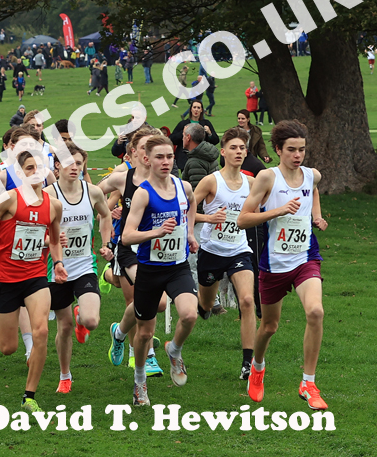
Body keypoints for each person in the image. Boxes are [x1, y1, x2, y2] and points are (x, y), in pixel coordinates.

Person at [238, 120, 329, 410]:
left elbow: (312, 189)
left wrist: (316, 215)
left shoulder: (312, 175)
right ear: (278, 149)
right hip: (274, 262)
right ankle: (257, 366)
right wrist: (278, 210)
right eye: (291, 150)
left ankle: (308, 382)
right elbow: (243, 219)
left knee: (315, 311)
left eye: (302, 149)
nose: (298, 155)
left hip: (305, 256)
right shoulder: (267, 177)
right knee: (269, 327)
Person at [0, 147, 67, 411]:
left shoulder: (54, 205)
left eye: (39, 167)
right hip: (5, 278)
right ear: (20, 173)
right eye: (29, 168)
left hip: (36, 275)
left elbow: (54, 239)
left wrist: (57, 262)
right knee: (7, 347)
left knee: (41, 332)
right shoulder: (10, 200)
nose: (35, 172)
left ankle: (29, 396)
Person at [109, 135, 199, 406]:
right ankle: (139, 383)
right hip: (149, 269)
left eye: (169, 156)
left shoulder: (183, 186)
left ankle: (174, 350)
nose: (166, 162)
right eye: (159, 157)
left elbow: (192, 203)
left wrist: (191, 233)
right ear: (146, 159)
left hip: (178, 265)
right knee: (145, 333)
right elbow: (126, 236)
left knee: (189, 314)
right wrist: (157, 232)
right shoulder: (143, 193)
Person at [98, 127, 167, 376]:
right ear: (134, 152)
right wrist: (107, 212)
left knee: (151, 302)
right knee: (143, 300)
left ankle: (118, 333)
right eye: (145, 148)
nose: (150, 154)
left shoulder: (165, 178)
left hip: (156, 248)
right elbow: (94, 193)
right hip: (128, 247)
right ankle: (144, 356)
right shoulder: (123, 176)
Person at [45, 143, 114, 393]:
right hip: (57, 270)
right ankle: (65, 375)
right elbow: (37, 230)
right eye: (68, 162)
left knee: (92, 320)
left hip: (85, 266)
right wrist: (51, 240)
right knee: (63, 328)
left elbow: (105, 215)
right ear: (56, 165)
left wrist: (106, 243)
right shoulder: (48, 195)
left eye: (78, 163)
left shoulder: (93, 192)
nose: (74, 167)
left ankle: (81, 319)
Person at [194, 127, 258, 380]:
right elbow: (186, 210)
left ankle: (247, 363)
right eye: (233, 147)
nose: (239, 152)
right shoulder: (211, 181)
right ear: (223, 152)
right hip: (212, 251)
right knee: (207, 304)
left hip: (239, 250)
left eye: (242, 147)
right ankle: (203, 306)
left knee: (247, 301)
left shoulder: (252, 183)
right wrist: (209, 217)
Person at [169, 99, 219, 171]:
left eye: (198, 108)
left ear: (201, 110)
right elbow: (172, 139)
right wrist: (183, 133)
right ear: (191, 109)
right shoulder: (183, 124)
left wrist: (209, 133)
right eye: (194, 107)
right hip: (185, 158)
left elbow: (215, 140)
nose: (196, 110)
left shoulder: (206, 123)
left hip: (202, 158)